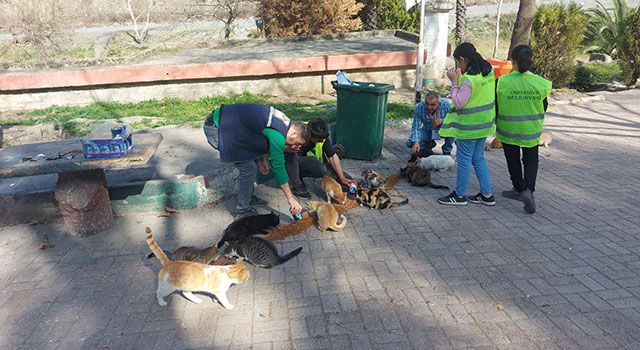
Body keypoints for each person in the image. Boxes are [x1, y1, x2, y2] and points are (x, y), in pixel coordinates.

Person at [203, 103, 308, 218]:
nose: (296, 148)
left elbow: (256, 131)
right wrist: (291, 199)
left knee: (250, 164)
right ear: (294, 133)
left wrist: (260, 158)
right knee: (248, 168)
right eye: (297, 144)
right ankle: (242, 211)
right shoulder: (278, 136)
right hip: (217, 128)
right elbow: (279, 167)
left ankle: (248, 198)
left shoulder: (284, 124)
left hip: (229, 125)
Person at [438, 42, 496, 206]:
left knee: (463, 160)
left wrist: (454, 82)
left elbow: (458, 102)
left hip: (469, 128)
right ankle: (487, 194)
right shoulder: (488, 70)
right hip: (484, 124)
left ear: (463, 59)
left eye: (457, 62)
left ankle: (459, 195)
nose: (457, 65)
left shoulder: (468, 80)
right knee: (478, 158)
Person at [496, 45, 552, 214]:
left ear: (512, 61)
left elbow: (496, 105)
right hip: (530, 129)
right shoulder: (541, 83)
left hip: (508, 129)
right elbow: (544, 106)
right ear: (531, 60)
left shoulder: (502, 81)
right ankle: (529, 190)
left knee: (512, 159)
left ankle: (518, 189)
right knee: (531, 159)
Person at [285, 118, 358, 198]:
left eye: (323, 139)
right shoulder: (299, 136)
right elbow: (290, 159)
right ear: (310, 136)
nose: (321, 141)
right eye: (319, 139)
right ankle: (296, 184)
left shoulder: (321, 136)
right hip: (290, 160)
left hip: (304, 160)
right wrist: (296, 184)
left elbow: (332, 156)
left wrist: (342, 177)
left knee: (322, 170)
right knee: (316, 166)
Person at [406, 92, 455, 161]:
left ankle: (447, 152)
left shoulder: (446, 105)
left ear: (439, 103)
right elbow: (416, 126)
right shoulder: (420, 107)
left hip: (444, 130)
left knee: (452, 131)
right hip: (428, 130)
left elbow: (454, 121)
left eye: (433, 105)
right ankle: (428, 145)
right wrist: (416, 142)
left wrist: (442, 121)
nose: (429, 107)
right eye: (427, 104)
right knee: (410, 143)